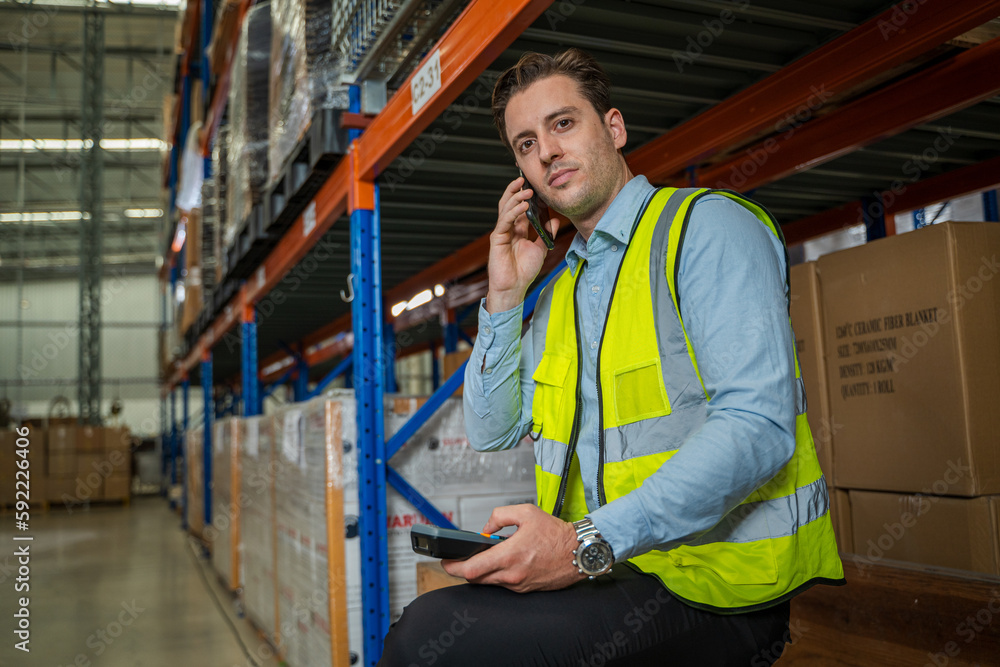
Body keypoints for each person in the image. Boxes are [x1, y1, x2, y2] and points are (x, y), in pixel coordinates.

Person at [377, 48, 844, 666]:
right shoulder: (558, 292)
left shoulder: (705, 231)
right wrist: (504, 297)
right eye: (524, 144)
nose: (544, 151)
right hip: (612, 571)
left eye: (562, 124)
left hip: (720, 588)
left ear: (615, 128)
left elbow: (759, 427)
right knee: (431, 622)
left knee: (430, 643)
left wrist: (583, 542)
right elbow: (490, 431)